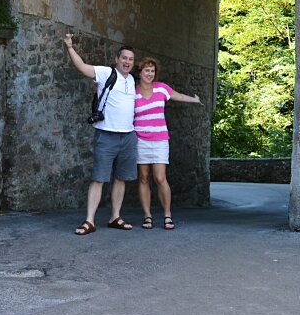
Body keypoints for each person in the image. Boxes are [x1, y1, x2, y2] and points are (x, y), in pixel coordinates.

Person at [64, 33, 137, 235]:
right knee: (99, 178)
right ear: (117, 59)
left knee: (121, 178)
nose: (127, 62)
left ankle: (115, 217)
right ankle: (89, 221)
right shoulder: (106, 73)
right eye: (124, 58)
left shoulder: (132, 80)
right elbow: (82, 67)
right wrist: (70, 48)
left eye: (131, 59)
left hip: (128, 136)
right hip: (106, 134)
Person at [133, 57, 203, 230]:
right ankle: (147, 217)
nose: (150, 74)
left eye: (152, 71)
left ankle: (167, 215)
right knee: (143, 178)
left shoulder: (161, 88)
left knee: (160, 178)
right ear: (140, 72)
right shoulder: (132, 92)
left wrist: (194, 100)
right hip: (140, 139)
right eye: (146, 70)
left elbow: (177, 95)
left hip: (160, 140)